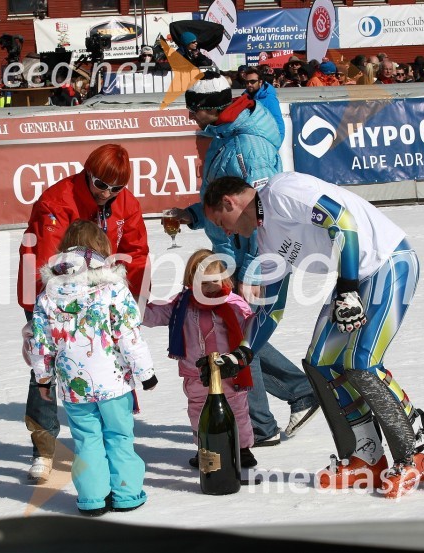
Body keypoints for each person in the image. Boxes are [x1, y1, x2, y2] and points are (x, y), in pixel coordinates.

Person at [200, 172, 424, 499]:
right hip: (353, 281)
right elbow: (270, 312)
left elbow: (343, 222)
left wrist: (348, 291)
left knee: (362, 362)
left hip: (389, 261)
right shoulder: (266, 241)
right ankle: (367, 455)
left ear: (230, 202)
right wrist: (241, 354)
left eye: (220, 221)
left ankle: (416, 454)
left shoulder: (281, 192)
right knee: (320, 362)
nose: (224, 231)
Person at [169, 72, 319, 448]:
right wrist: (192, 215)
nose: (190, 118)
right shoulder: (225, 138)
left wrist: (253, 270)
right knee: (234, 334)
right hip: (232, 255)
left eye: (192, 111)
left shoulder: (247, 146)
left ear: (208, 109)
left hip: (251, 259)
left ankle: (261, 424)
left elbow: (260, 213)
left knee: (232, 336)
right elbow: (224, 201)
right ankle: (295, 394)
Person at [17, 144, 149, 483]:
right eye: (100, 185)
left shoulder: (126, 205)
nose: (107, 194)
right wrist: (37, 317)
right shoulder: (57, 202)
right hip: (55, 299)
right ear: (87, 173)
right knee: (44, 366)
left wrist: (132, 304)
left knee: (108, 365)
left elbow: (136, 254)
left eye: (115, 188)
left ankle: (105, 439)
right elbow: (47, 261)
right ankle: (43, 446)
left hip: (103, 298)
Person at [28, 220, 155, 516]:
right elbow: (129, 334)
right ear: (102, 251)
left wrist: (43, 380)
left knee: (87, 440)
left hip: (75, 387)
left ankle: (93, 497)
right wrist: (145, 373)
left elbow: (41, 342)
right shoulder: (112, 288)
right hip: (113, 383)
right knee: (119, 436)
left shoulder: (48, 295)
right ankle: (126, 493)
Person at [143, 249, 256, 469]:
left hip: (227, 370)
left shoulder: (233, 304)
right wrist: (135, 310)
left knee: (237, 409)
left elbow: (249, 326)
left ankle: (242, 448)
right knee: (198, 410)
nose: (209, 287)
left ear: (224, 279)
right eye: (201, 283)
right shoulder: (183, 304)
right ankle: (205, 448)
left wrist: (252, 323)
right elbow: (157, 314)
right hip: (196, 372)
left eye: (214, 281)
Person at [241, 66, 284, 140]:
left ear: (260, 82)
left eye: (252, 81)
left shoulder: (269, 99)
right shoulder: (244, 98)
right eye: (247, 82)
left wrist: (277, 144)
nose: (249, 84)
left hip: (266, 142)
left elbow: (278, 122)